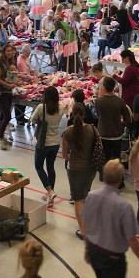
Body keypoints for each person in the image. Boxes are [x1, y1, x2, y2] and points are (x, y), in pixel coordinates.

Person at [61, 103, 99, 240]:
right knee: (86, 194)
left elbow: (64, 154)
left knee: (78, 199)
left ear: (71, 115)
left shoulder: (67, 132)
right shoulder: (92, 129)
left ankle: (83, 230)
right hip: (90, 168)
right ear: (84, 114)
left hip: (75, 169)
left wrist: (70, 157)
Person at [95, 77, 131, 183]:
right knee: (117, 159)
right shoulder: (120, 101)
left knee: (104, 159)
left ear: (104, 87)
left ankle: (105, 178)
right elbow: (127, 119)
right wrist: (120, 122)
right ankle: (119, 181)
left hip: (103, 134)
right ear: (114, 87)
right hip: (116, 135)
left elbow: (98, 115)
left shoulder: (98, 101)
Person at [32, 87, 62, 206]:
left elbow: (33, 120)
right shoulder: (60, 109)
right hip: (55, 142)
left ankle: (49, 191)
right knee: (50, 167)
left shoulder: (41, 108)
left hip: (43, 143)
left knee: (39, 167)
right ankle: (51, 193)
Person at [0, 44, 19, 150]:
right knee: (7, 116)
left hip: (8, 91)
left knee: (5, 116)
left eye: (11, 51)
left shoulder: (9, 62)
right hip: (1, 92)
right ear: (4, 51)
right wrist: (8, 85)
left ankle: (2, 136)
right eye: (7, 51)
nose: (9, 53)